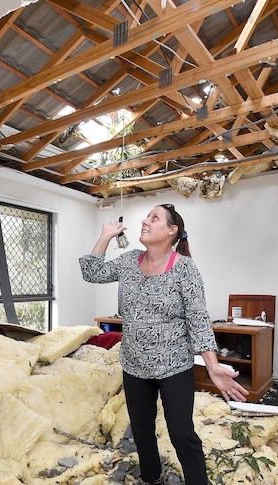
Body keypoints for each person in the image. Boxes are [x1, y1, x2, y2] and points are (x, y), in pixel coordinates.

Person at [79, 204, 249, 485]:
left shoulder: (184, 268)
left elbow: (197, 318)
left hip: (174, 367)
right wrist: (106, 236)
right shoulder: (129, 260)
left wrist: (212, 365)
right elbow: (91, 272)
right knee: (142, 431)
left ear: (172, 231)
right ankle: (152, 478)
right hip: (134, 366)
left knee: (181, 433)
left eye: (153, 218)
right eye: (146, 216)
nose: (145, 221)